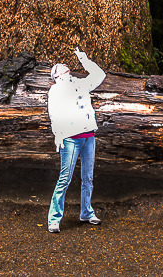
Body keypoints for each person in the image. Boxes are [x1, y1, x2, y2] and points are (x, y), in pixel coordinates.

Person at [46, 47, 106, 233]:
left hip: (88, 135)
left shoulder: (80, 83)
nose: (64, 66)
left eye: (65, 65)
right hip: (70, 138)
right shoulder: (56, 90)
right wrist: (58, 134)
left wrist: (84, 59)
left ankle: (87, 212)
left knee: (88, 177)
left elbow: (99, 74)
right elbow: (54, 113)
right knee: (65, 178)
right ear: (56, 75)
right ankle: (54, 219)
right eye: (60, 67)